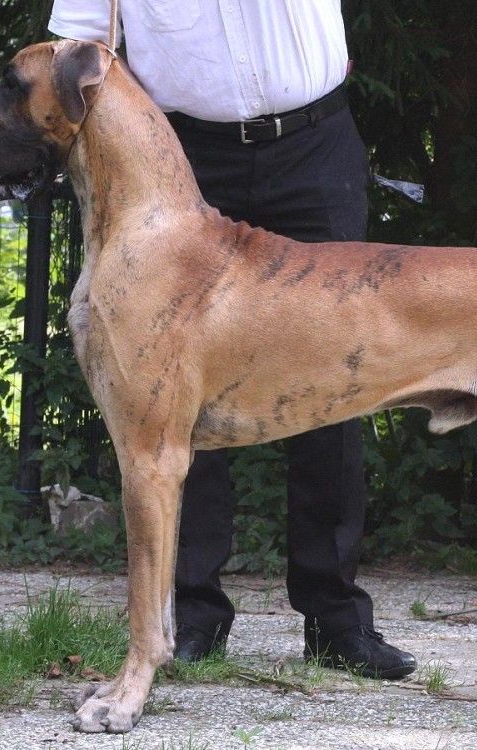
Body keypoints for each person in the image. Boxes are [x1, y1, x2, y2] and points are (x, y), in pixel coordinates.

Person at [48, 0, 416, 679]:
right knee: (170, 401)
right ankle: (193, 619)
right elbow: (77, 50)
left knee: (337, 383)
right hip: (184, 154)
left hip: (313, 141)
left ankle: (337, 621)